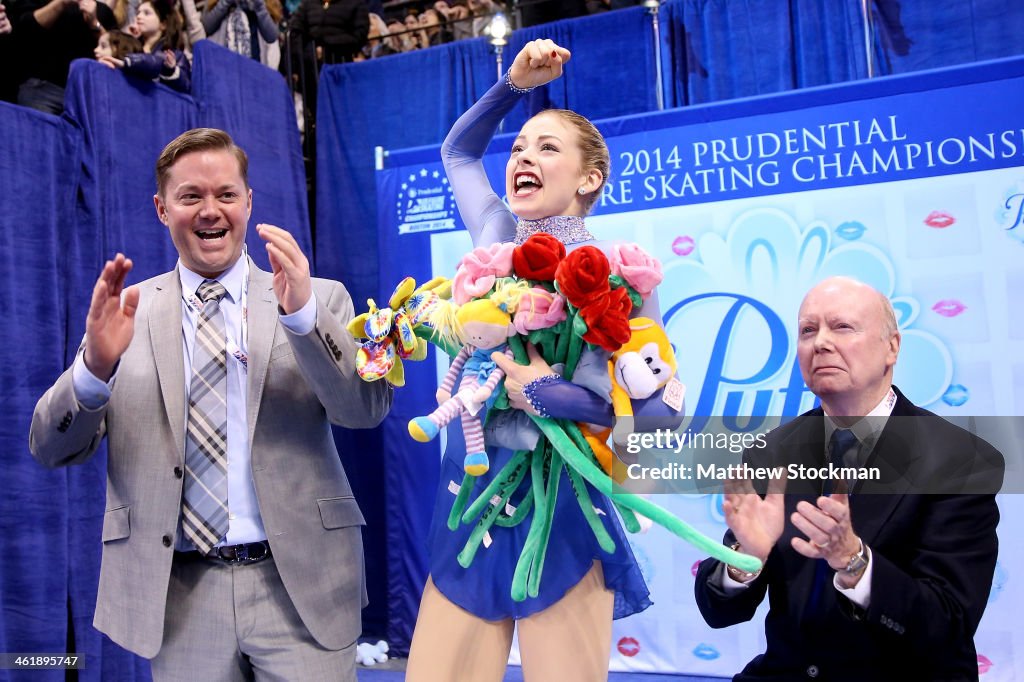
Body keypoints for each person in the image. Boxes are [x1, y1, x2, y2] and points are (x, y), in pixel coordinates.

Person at [29, 128, 392, 681]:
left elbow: (363, 410)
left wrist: (302, 320)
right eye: (190, 196)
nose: (210, 210)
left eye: (225, 194)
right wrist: (94, 371)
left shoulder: (317, 297)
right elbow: (51, 448)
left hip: (303, 586)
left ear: (248, 201)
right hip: (179, 595)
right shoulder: (129, 313)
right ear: (161, 208)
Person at [406, 39, 677, 681]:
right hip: (475, 493)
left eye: (547, 148)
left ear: (590, 179)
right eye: (521, 146)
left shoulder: (620, 277)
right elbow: (459, 151)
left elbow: (648, 408)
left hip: (564, 502)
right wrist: (512, 85)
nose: (524, 156)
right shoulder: (494, 235)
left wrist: (545, 393)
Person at [694, 276, 1004, 682]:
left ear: (892, 347)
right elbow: (719, 612)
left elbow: (947, 627)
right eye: (808, 330)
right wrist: (746, 560)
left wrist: (856, 563)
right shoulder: (771, 452)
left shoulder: (961, 458)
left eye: (841, 327)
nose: (820, 342)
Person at [11, 0, 117, 113]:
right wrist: (60, 3)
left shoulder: (102, 9)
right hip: (41, 88)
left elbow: (115, 49)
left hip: (84, 95)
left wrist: (94, 22)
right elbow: (24, 29)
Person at [97, 0, 191, 93]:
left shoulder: (176, 55)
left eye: (146, 13)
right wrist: (129, 40)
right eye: (138, 13)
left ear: (163, 24)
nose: (138, 17)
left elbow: (186, 86)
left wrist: (171, 70)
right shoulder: (134, 48)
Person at [202, 0, 282, 69]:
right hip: (222, 66)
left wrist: (259, 6)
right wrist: (225, 2)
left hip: (254, 67)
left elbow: (272, 36)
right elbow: (207, 27)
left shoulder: (266, 3)